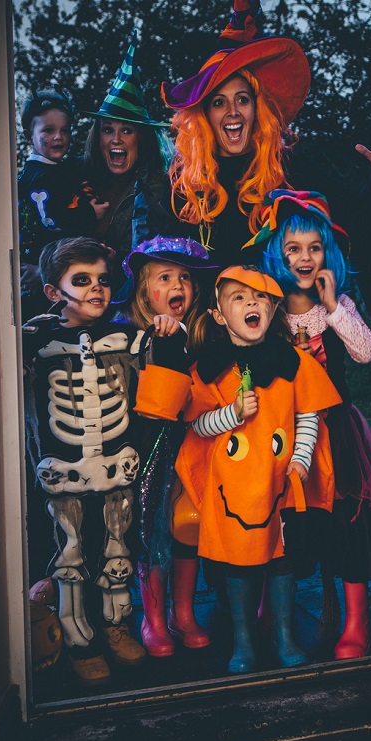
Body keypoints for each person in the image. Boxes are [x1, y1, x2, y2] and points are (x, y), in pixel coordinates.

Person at [136, 265, 341, 673]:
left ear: (273, 309)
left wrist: (300, 459)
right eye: (239, 298)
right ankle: (244, 642)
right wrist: (231, 414)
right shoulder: (210, 368)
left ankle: (284, 636)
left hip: (280, 481)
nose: (252, 303)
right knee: (239, 562)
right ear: (217, 315)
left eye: (261, 297)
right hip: (232, 486)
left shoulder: (294, 361)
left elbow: (308, 415)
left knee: (281, 560)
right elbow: (196, 424)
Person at [161, 0, 371, 321]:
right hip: (212, 336)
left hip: (287, 334)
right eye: (219, 102)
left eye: (242, 99)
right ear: (204, 116)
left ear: (257, 109)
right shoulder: (186, 186)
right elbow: (169, 265)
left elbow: (354, 216)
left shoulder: (291, 166)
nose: (232, 112)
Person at [23, 236, 173, 685]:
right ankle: (77, 639)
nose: (96, 289)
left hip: (116, 465)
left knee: (117, 550)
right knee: (69, 554)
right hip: (63, 468)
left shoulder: (129, 336)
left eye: (104, 281)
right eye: (81, 280)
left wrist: (169, 330)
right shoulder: (36, 338)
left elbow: (172, 371)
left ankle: (116, 626)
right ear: (54, 292)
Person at [253, 190, 371, 659]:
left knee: (348, 520)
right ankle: (275, 610)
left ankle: (355, 621)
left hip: (336, 433)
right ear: (276, 253)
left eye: (314, 247)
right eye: (293, 248)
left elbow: (367, 352)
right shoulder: (266, 311)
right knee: (283, 521)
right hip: (283, 433)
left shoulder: (337, 306)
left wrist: (333, 307)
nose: (305, 257)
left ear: (327, 254)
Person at [119, 235, 218, 657]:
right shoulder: (129, 336)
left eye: (185, 278)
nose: (178, 285)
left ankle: (184, 612)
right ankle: (153, 617)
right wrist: (161, 341)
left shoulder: (202, 334)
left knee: (187, 524)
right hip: (147, 451)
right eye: (165, 277)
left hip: (192, 447)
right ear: (144, 291)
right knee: (149, 527)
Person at [82, 29, 176, 293]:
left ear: (141, 138)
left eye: (126, 130)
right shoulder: (77, 177)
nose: (116, 140)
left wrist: (120, 263)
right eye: (108, 129)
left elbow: (160, 257)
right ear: (96, 135)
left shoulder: (157, 189)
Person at [17, 84, 106, 320]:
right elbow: (51, 221)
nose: (58, 137)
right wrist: (90, 215)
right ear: (29, 136)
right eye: (48, 130)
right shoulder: (40, 177)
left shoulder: (58, 170)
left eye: (65, 130)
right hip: (40, 271)